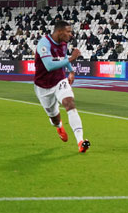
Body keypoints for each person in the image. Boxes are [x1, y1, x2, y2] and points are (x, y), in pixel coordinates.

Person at [34, 21, 90, 153]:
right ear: (59, 32)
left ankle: (80, 141)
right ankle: (59, 126)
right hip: (43, 86)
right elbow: (49, 66)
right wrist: (71, 59)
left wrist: (71, 70)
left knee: (69, 104)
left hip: (59, 80)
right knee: (54, 118)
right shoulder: (44, 43)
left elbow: (62, 56)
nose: (71, 34)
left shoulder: (64, 44)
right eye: (68, 32)